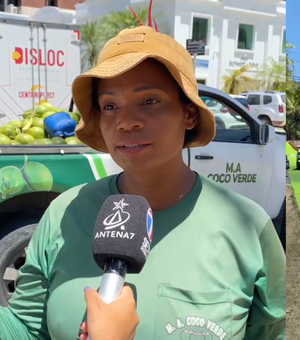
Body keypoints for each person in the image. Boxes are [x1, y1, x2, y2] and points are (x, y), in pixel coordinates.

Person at [0, 2, 285, 339]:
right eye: (109, 106)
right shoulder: (65, 212)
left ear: (189, 114)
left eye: (149, 100)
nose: (125, 121)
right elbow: (26, 327)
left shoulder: (249, 229)